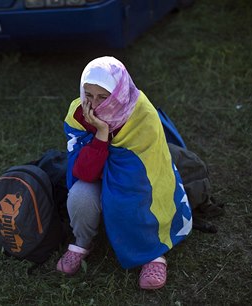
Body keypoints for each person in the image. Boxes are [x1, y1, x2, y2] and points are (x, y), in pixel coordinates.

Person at [57, 56, 193, 290]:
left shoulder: (141, 113)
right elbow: (83, 172)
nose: (95, 104)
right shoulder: (78, 113)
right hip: (99, 174)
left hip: (139, 182)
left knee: (129, 199)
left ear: (119, 92)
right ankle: (83, 242)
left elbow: (143, 172)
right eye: (88, 94)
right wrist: (101, 134)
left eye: (103, 96)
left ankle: (152, 252)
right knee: (80, 195)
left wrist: (103, 156)